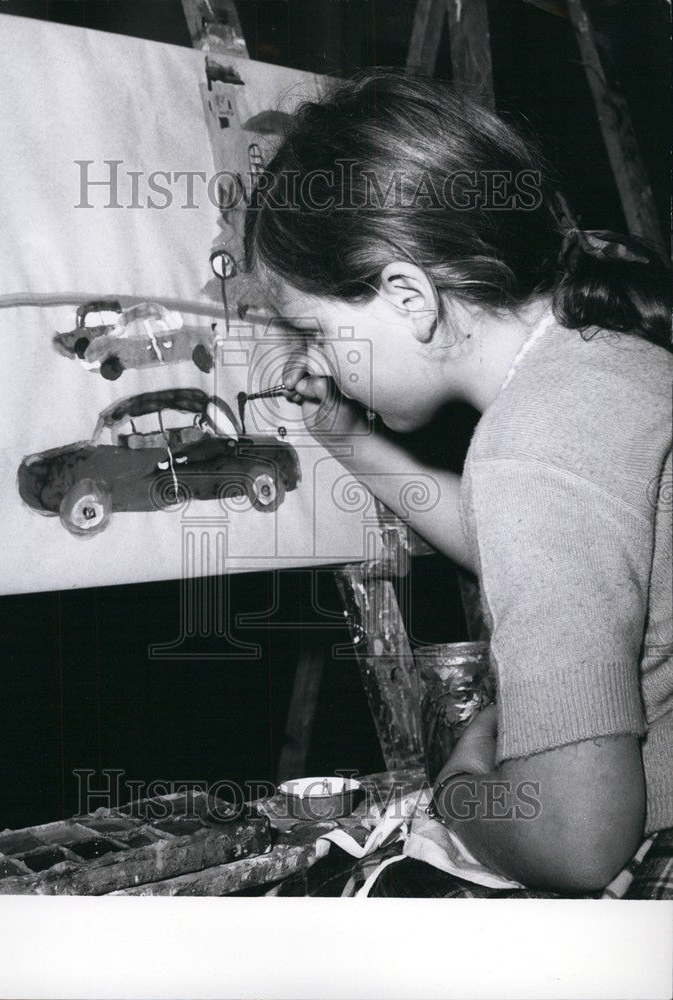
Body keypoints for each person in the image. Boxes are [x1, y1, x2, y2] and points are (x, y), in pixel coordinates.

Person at [243, 71, 672, 895]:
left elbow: (577, 840)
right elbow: (528, 538)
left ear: (408, 296)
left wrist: (460, 784)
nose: (312, 360)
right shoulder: (611, 364)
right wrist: (342, 434)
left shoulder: (530, 446)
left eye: (314, 331)